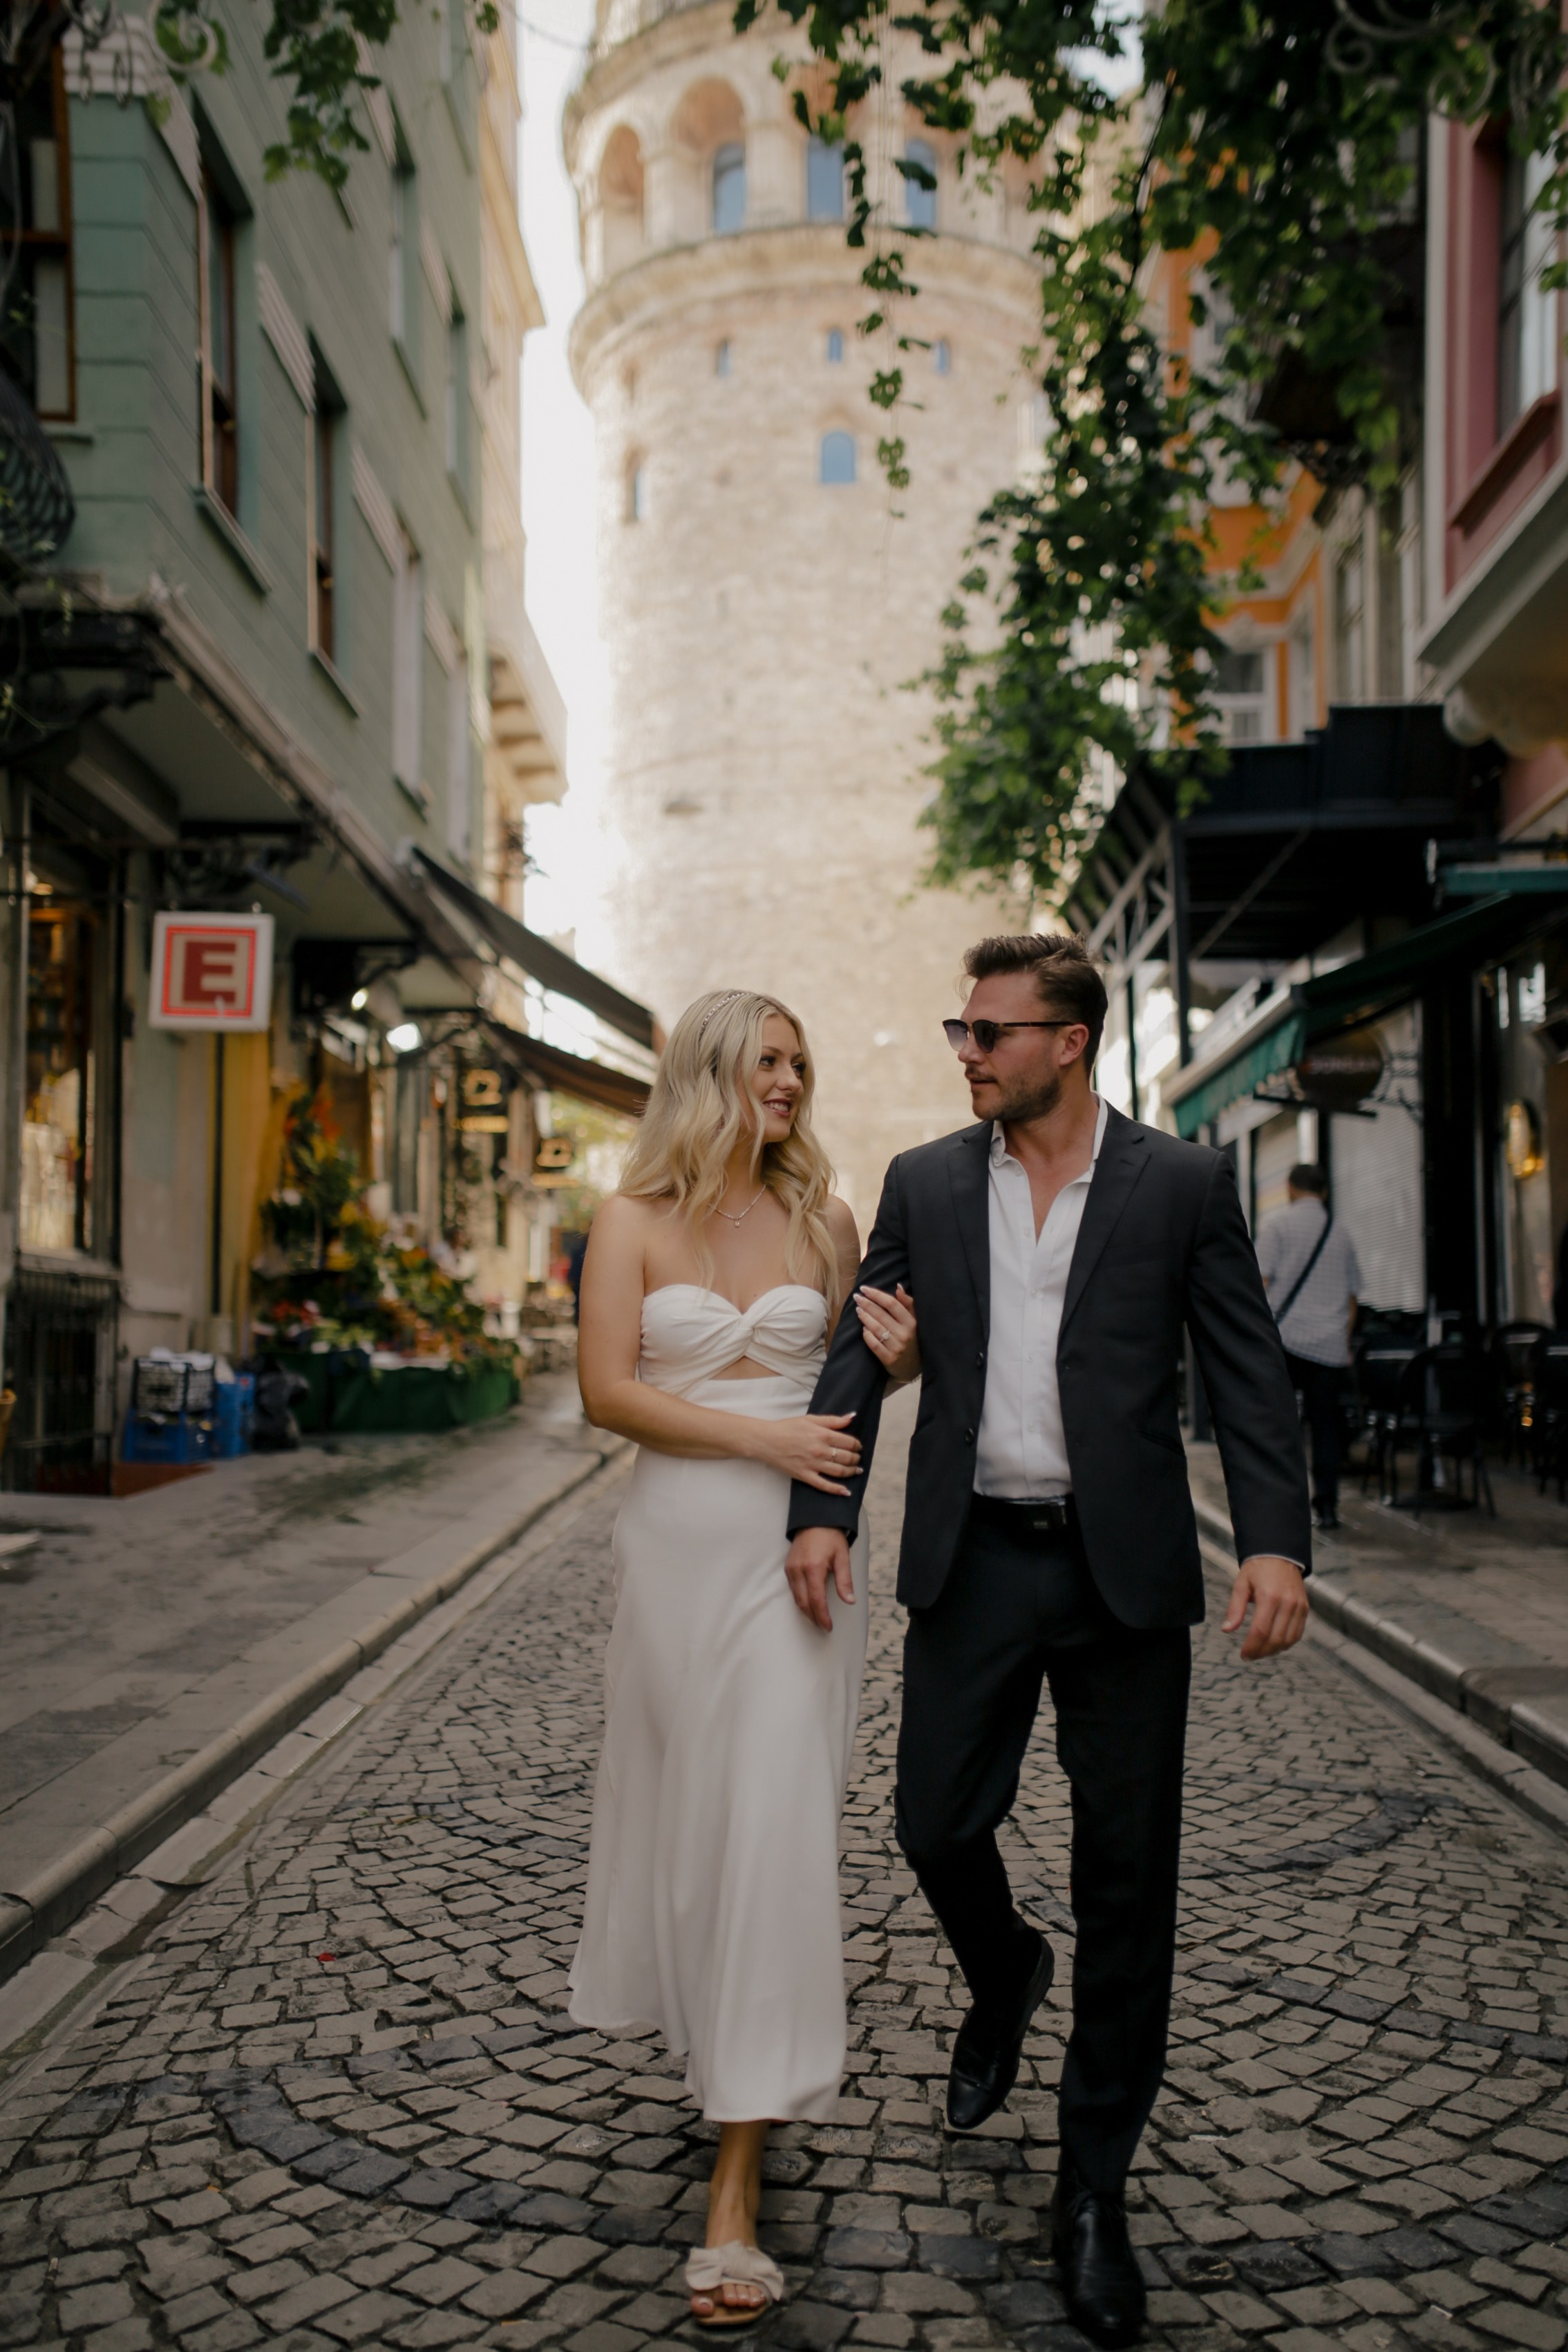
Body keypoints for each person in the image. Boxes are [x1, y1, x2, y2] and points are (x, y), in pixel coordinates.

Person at [785, 934, 1310, 2351]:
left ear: (1067, 1042)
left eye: (990, 1031)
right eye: (959, 1029)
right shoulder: (924, 1182)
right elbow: (860, 1348)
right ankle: (1005, 1967)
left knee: (1127, 1882)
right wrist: (821, 1506)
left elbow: (1247, 1371)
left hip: (1117, 1572)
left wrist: (1274, 1539)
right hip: (973, 1561)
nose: (966, 1050)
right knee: (932, 1822)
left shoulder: (1180, 1184)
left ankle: (1092, 2187)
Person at [572, 988, 918, 2331]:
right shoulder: (629, 1220)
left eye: (798, 1063)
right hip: (673, 1548)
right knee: (699, 1821)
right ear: (709, 1070)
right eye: (767, 1060)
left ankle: (737, 2173)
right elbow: (608, 1390)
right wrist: (759, 1437)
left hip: (799, 1554)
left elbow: (856, 1385)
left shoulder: (826, 1219)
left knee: (773, 1822)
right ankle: (717, 2030)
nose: (789, 1080)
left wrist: (900, 1360)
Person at [1255, 1162, 1361, 1533]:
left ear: (1290, 1189)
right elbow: (1352, 1300)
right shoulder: (1341, 1233)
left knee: (1280, 1427)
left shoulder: (1277, 1226)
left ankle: (1282, 1504)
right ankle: (1327, 1507)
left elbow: (1259, 1284)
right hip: (1329, 1349)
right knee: (1326, 1429)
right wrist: (1342, 1340)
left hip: (1286, 1342)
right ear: (1324, 1192)